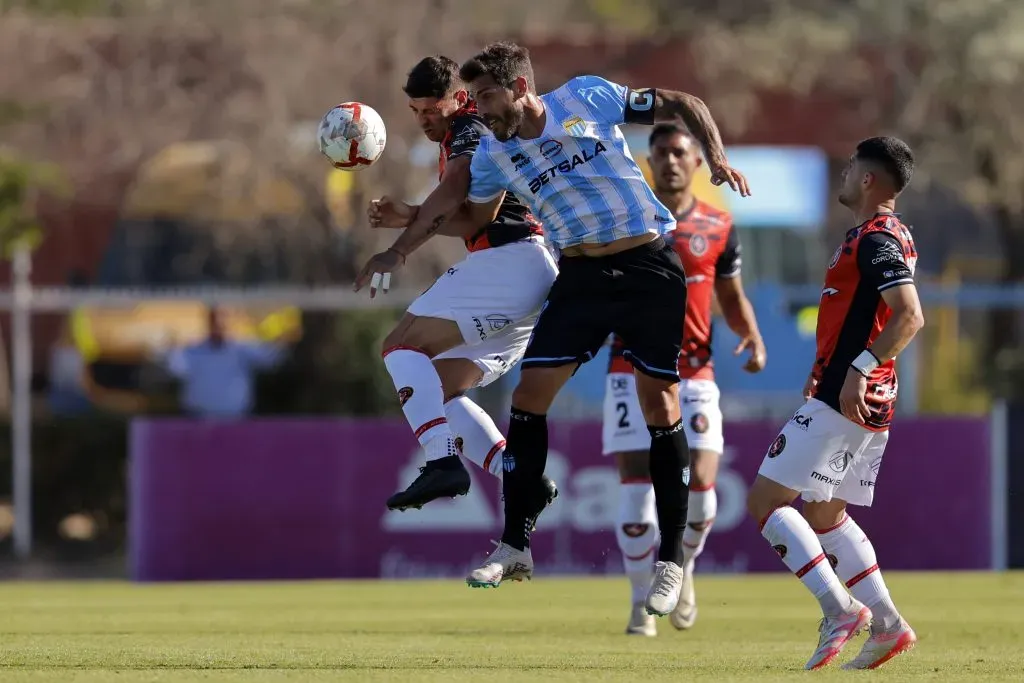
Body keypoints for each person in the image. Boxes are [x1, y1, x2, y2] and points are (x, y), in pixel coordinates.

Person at [356, 41, 749, 614]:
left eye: (488, 96)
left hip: (648, 265)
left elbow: (683, 101)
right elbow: (456, 208)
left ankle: (670, 561)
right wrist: (399, 247)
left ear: (519, 88)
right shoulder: (493, 151)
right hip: (580, 274)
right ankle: (515, 546)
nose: (481, 109)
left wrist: (714, 157)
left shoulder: (586, 97)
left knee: (660, 405)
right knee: (529, 397)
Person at [745, 137, 922, 670]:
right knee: (825, 513)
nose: (842, 175)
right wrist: (830, 366)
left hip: (846, 396)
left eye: (850, 168)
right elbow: (860, 317)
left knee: (766, 504)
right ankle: (889, 627)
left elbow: (909, 315)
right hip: (859, 397)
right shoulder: (884, 236)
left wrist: (856, 370)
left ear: (868, 180)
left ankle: (839, 610)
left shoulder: (875, 238)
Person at [357, 56, 559, 518]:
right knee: (438, 386)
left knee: (400, 347)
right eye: (415, 112)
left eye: (431, 109)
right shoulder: (463, 134)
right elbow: (473, 216)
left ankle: (442, 461)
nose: (424, 120)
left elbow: (452, 196)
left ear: (461, 99)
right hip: (529, 274)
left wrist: (398, 249)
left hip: (510, 262)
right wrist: (410, 214)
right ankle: (518, 473)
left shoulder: (469, 132)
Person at [603, 122, 766, 636]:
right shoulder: (627, 219)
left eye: (679, 152)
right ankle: (637, 602)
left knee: (703, 492)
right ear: (648, 162)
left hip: (695, 373)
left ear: (698, 162)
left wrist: (752, 334)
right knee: (636, 493)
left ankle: (683, 570)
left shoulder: (719, 223)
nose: (669, 161)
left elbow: (731, 295)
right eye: (660, 153)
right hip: (629, 368)